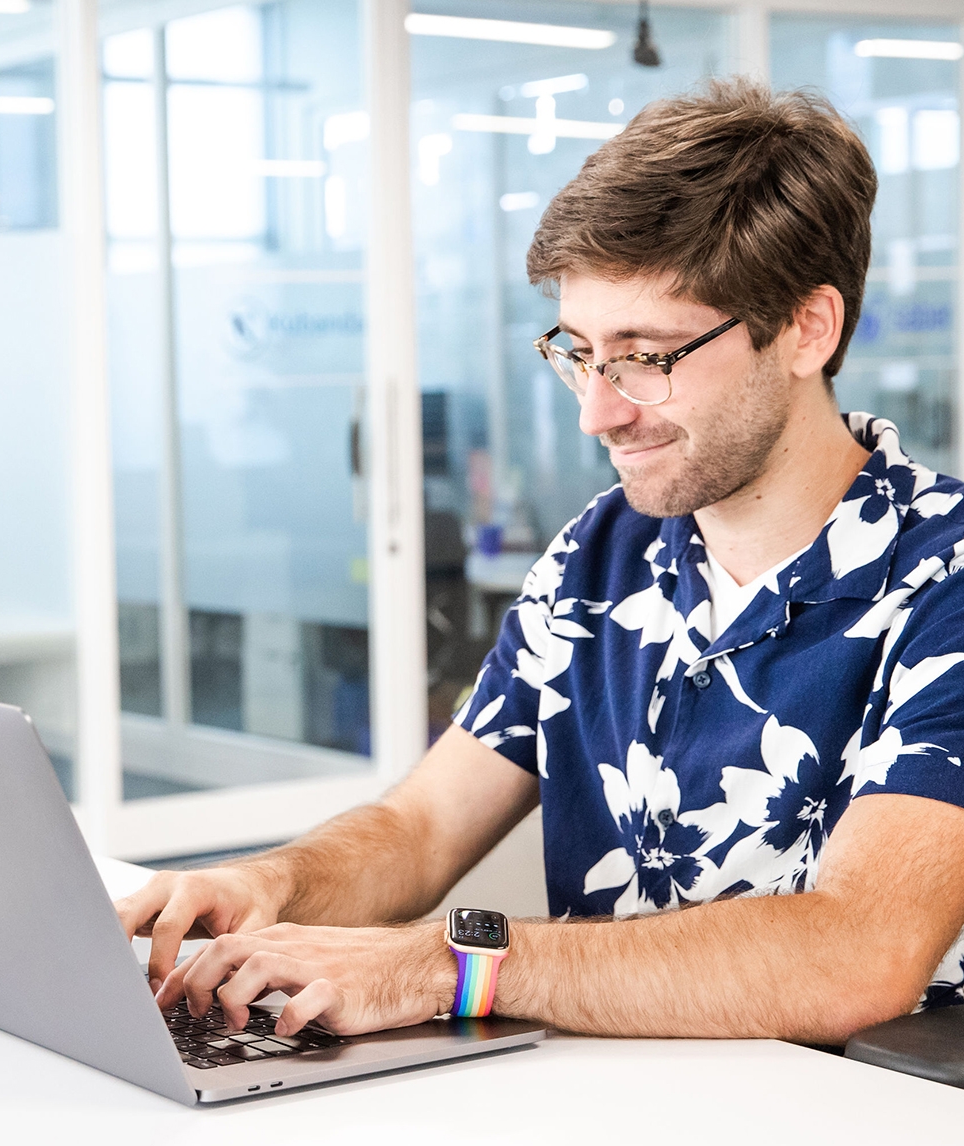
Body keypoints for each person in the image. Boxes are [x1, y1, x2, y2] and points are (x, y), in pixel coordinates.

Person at [114, 80, 964, 1044]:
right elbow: (424, 827)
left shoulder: (943, 579)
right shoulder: (600, 554)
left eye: (646, 356)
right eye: (578, 351)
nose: (594, 411)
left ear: (808, 328)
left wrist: (452, 962)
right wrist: (268, 881)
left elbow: (856, 951)